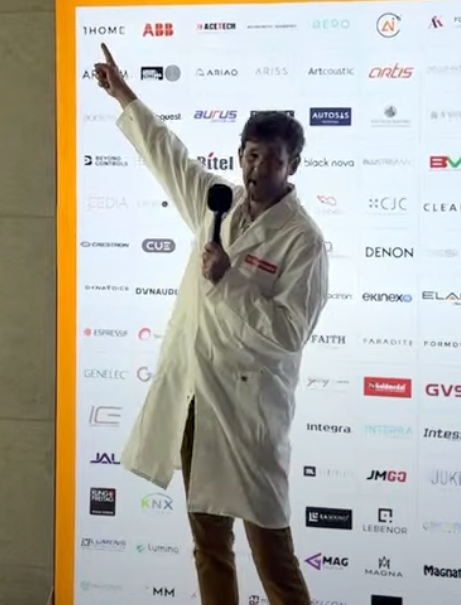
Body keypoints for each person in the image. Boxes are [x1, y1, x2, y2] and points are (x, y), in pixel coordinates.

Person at [92, 43, 329, 605]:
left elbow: (289, 333)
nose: (258, 169)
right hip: (197, 400)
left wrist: (231, 280)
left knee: (274, 558)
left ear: (293, 165)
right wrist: (124, 95)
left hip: (249, 414)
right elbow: (167, 155)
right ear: (239, 155)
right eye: (251, 155)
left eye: (273, 159)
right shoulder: (216, 202)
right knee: (209, 547)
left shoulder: (304, 241)